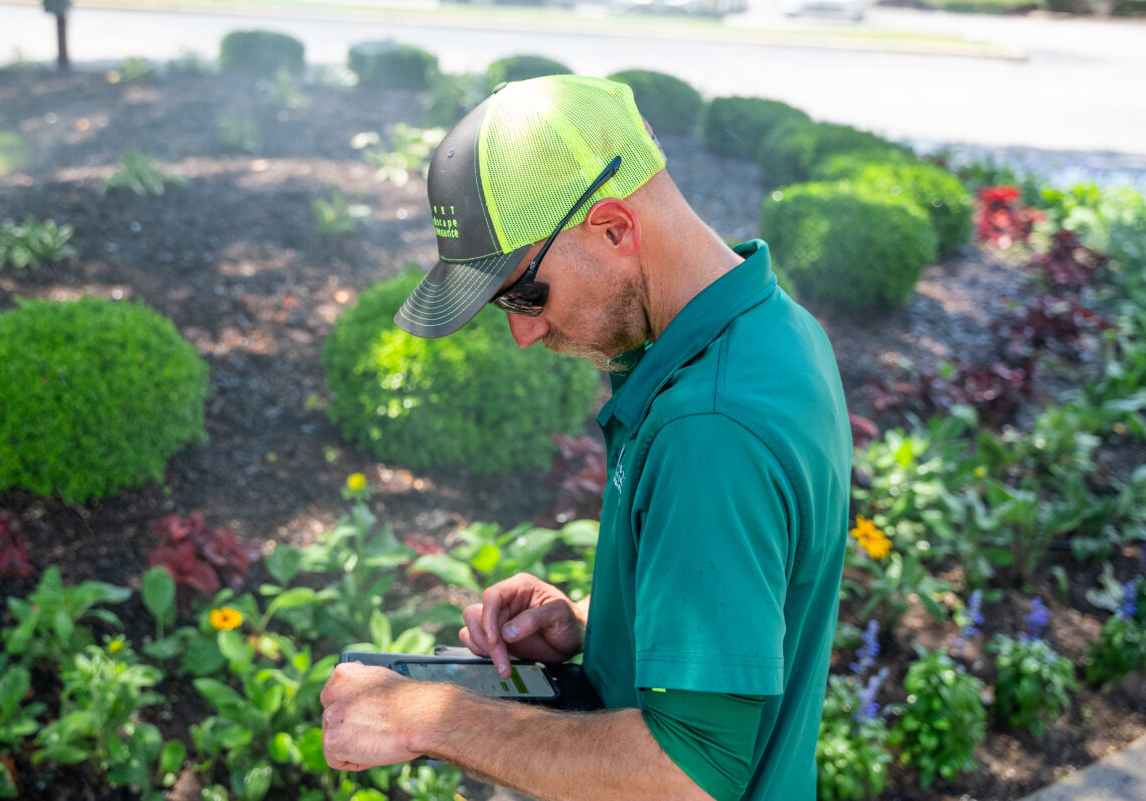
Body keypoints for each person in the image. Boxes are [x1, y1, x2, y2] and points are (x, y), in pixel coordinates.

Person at [320, 74, 853, 801]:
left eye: (523, 292)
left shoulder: (710, 428)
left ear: (613, 228)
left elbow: (686, 774)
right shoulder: (772, 327)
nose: (522, 331)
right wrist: (590, 626)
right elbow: (758, 607)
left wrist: (432, 719)